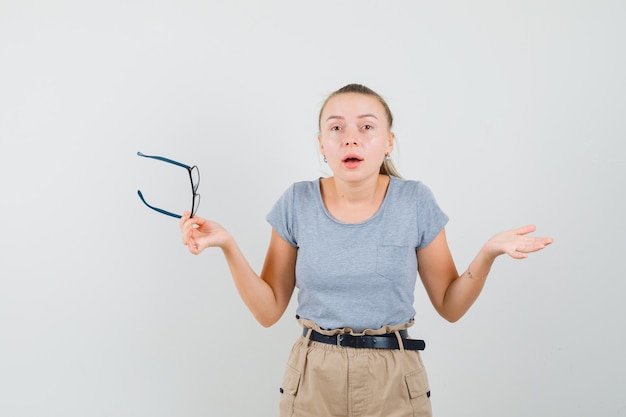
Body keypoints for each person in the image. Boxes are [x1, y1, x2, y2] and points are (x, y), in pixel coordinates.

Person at [179, 83, 553, 417]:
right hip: (313, 377)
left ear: (388, 141)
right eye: (336, 127)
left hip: (394, 377)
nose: (350, 138)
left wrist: (487, 253)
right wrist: (227, 244)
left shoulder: (415, 201)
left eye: (367, 127)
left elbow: (450, 306)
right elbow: (268, 310)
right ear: (322, 144)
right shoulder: (297, 202)